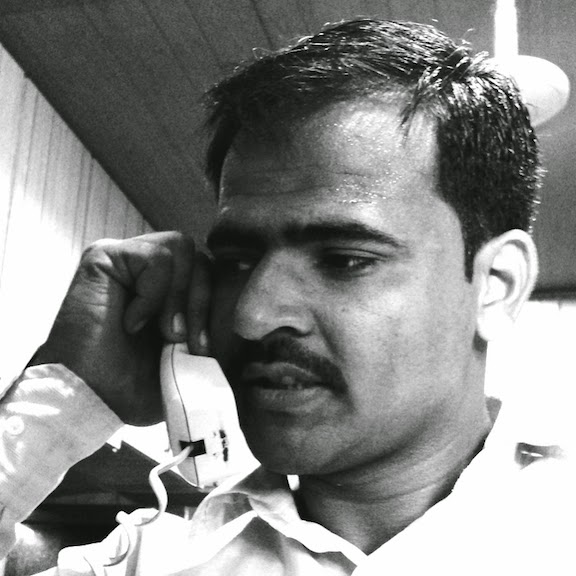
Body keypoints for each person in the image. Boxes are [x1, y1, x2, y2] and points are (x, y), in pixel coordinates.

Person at [0, 17, 574, 575]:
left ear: (496, 286)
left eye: (345, 259)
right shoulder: (146, 561)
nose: (251, 315)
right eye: (236, 262)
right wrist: (56, 403)